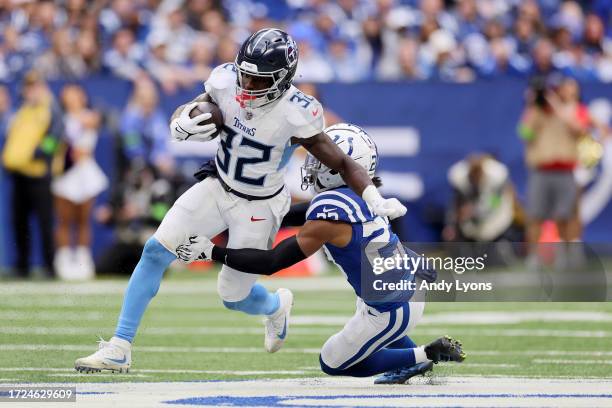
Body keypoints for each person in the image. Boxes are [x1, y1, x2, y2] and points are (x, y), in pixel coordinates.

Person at [74, 28, 407, 373]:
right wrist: (183, 120)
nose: (246, 86)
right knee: (156, 250)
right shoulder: (224, 79)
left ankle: (275, 306)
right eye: (244, 75)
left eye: (258, 80)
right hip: (217, 185)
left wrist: (372, 196)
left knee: (233, 296)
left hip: (260, 205)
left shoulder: (298, 112)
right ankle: (120, 346)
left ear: (282, 79)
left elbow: (341, 162)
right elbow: (199, 106)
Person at [172, 124, 465, 384]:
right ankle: (412, 356)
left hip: (391, 308)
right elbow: (294, 214)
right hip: (401, 290)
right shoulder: (364, 198)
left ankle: (424, 354)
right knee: (368, 317)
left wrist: (212, 251)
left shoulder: (329, 218)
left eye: (321, 160)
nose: (313, 164)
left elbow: (272, 262)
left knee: (332, 361)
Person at [519, 75, 585, 269]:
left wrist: (556, 105)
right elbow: (525, 134)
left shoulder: (571, 110)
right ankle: (534, 257)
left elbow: (579, 130)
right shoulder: (536, 112)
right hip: (541, 171)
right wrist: (532, 107)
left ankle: (564, 256)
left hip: (565, 171)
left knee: (564, 216)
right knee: (534, 216)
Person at [1, 71, 63, 279]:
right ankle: (22, 266)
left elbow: (56, 134)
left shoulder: (49, 108)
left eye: (35, 86)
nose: (31, 91)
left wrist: (41, 153)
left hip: (39, 174)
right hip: (20, 174)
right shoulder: (23, 110)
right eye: (28, 87)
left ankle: (49, 267)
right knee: (19, 222)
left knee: (45, 223)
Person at [52, 84, 107, 280]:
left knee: (83, 220)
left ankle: (84, 261)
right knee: (65, 220)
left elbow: (94, 123)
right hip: (65, 173)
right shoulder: (59, 120)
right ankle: (63, 262)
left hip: (85, 173)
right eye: (68, 94)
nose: (73, 98)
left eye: (76, 94)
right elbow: (56, 143)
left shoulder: (89, 116)